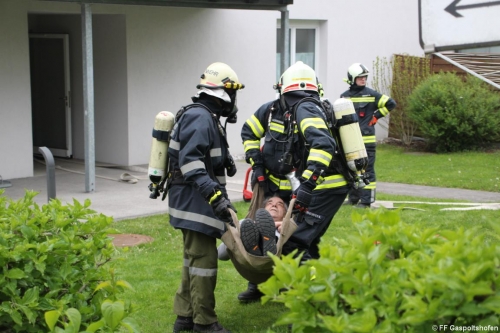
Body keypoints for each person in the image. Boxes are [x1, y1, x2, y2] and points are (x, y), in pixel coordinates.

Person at [239, 61, 349, 302]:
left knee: (296, 238)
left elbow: (323, 145)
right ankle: (260, 285)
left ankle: (303, 293)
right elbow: (248, 132)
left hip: (309, 186)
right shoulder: (269, 111)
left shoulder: (306, 109)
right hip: (274, 184)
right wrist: (256, 162)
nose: (294, 100)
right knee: (262, 229)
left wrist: (308, 186)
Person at [168, 62, 244, 333]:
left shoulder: (204, 115)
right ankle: (205, 322)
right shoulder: (201, 117)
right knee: (204, 263)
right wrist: (216, 198)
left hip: (192, 201)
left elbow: (203, 154)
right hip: (195, 202)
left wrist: (225, 161)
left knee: (193, 259)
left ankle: (185, 317)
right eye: (233, 93)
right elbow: (190, 163)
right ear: (224, 92)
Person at [340, 63, 397, 208]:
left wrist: (377, 115)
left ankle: (366, 201)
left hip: (367, 141)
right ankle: (353, 198)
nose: (363, 80)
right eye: (360, 78)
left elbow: (391, 103)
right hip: (350, 142)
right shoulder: (344, 97)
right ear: (352, 79)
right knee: (351, 170)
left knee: (367, 171)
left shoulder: (372, 94)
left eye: (365, 77)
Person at [217, 195, 288, 260]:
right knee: (246, 226)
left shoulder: (289, 227)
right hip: (253, 262)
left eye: (280, 204)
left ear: (285, 214)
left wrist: (283, 227)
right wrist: (238, 235)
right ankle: (255, 249)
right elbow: (221, 255)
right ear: (263, 209)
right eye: (269, 203)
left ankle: (261, 248)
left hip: (278, 258)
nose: (274, 205)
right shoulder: (246, 224)